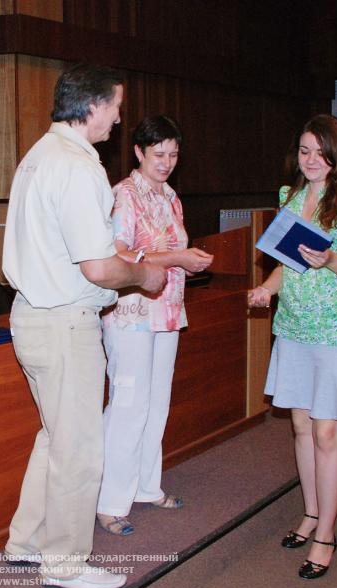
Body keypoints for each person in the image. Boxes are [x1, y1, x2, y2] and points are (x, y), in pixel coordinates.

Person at [2, 64, 166, 588]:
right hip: (64, 323)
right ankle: (65, 564)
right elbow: (97, 268)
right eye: (115, 107)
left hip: (33, 315)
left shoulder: (38, 156)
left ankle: (27, 545)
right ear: (92, 107)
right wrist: (144, 275)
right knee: (79, 449)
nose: (120, 118)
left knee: (57, 439)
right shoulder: (76, 165)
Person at [248, 114, 337, 580]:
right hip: (296, 328)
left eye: (320, 152)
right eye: (304, 151)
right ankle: (310, 512)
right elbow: (288, 264)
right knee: (302, 430)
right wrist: (267, 288)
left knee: (329, 435)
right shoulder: (290, 197)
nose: (311, 160)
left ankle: (326, 532)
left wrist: (331, 260)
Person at [96, 115, 213, 535]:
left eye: (173, 154)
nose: (166, 162)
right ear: (139, 153)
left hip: (167, 309)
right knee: (129, 403)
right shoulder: (124, 195)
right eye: (158, 154)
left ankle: (146, 486)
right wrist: (177, 259)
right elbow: (119, 255)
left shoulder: (170, 196)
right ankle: (109, 502)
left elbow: (170, 249)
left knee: (157, 401)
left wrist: (190, 261)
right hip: (131, 311)